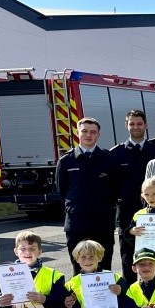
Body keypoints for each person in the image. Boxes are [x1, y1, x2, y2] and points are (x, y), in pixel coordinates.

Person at [56, 117, 119, 273]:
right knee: (79, 268)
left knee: (104, 268)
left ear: (98, 134)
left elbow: (115, 189)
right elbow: (61, 191)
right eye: (84, 131)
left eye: (93, 132)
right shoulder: (66, 161)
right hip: (77, 224)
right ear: (78, 133)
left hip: (102, 224)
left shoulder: (109, 160)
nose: (88, 135)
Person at [111, 110, 155, 280]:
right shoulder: (116, 153)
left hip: (154, 212)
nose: (136, 127)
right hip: (127, 213)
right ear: (126, 126)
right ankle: (131, 300)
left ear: (146, 126)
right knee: (128, 258)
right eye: (132, 123)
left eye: (139, 123)